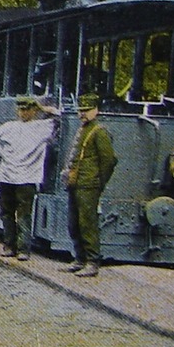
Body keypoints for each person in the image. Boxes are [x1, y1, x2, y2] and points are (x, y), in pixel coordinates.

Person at [0, 96, 60, 260]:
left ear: (34, 111)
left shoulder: (42, 127)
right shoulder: (10, 127)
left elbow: (60, 118)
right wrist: (0, 150)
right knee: (6, 213)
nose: (24, 113)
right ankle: (9, 245)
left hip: (28, 178)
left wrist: (45, 109)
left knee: (24, 214)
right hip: (7, 177)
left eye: (28, 110)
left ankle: (24, 249)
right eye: (21, 110)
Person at [61, 93, 117, 277]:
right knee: (73, 223)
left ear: (96, 110)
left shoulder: (99, 131)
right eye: (80, 110)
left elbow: (109, 161)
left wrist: (99, 183)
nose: (82, 114)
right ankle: (80, 259)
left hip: (88, 185)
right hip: (76, 184)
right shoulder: (83, 129)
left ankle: (92, 262)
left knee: (87, 223)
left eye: (86, 110)